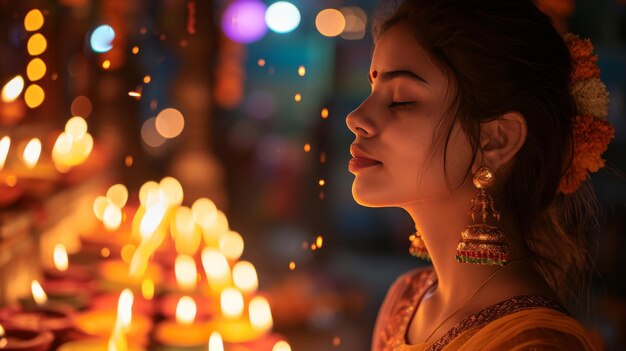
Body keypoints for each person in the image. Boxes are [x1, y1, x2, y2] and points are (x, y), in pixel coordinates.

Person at [345, 0, 613, 350]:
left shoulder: (535, 344)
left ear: (496, 140)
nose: (356, 117)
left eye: (402, 100)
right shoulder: (405, 302)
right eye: (372, 89)